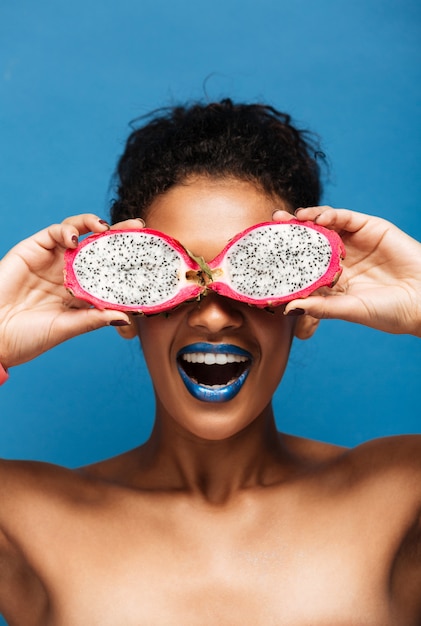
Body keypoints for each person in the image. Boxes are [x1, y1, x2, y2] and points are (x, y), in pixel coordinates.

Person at [0, 99, 420, 625]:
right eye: (167, 277)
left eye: (262, 274)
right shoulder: (23, 517)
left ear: (311, 308)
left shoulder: (403, 495)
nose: (215, 319)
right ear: (125, 306)